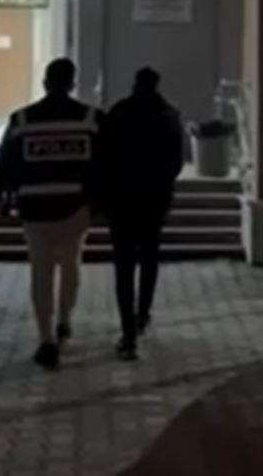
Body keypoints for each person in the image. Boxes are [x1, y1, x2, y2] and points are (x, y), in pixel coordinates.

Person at [0, 58, 103, 370]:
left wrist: (2, 197)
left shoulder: (22, 120)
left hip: (34, 209)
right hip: (75, 207)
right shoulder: (91, 119)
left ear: (45, 83)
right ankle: (64, 319)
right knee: (71, 264)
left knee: (41, 270)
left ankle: (45, 338)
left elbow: (1, 164)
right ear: (72, 83)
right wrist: (98, 204)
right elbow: (106, 164)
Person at [103, 67, 185, 361]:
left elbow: (105, 156)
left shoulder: (118, 113)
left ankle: (127, 334)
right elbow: (176, 162)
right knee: (149, 257)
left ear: (135, 84)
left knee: (124, 265)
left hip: (122, 200)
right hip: (154, 200)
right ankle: (143, 314)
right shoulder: (169, 115)